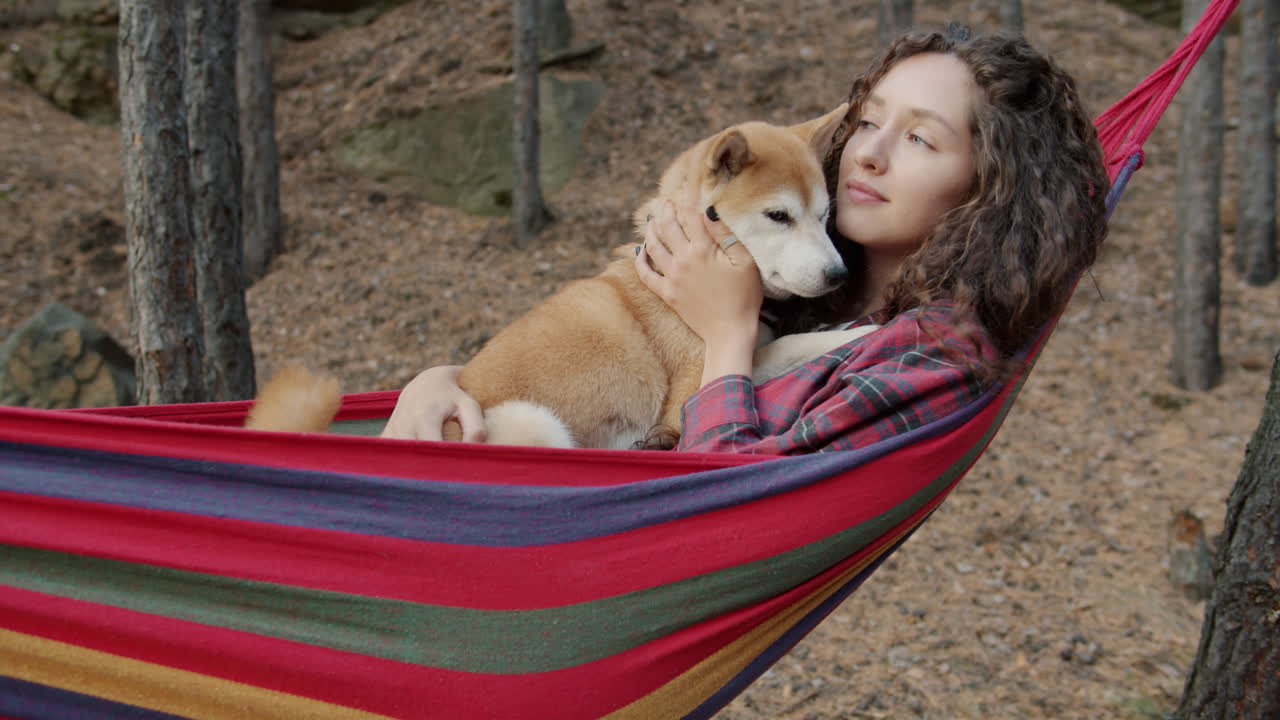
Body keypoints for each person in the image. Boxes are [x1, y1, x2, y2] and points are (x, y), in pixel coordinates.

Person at [381, 25, 1110, 454]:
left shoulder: (935, 356)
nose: (868, 153)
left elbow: (726, 503)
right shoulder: (805, 290)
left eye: (919, 137)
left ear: (989, 185)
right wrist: (441, 382)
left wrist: (728, 336)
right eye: (867, 121)